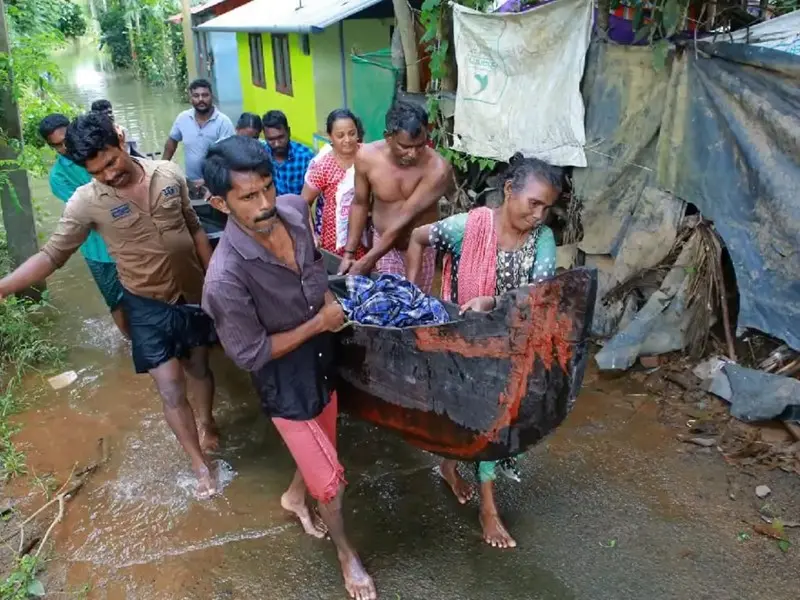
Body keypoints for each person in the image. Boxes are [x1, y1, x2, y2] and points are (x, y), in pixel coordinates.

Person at [0, 113, 220, 499]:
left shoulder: (168, 173)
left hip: (191, 294)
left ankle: (207, 422)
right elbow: (51, 256)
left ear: (120, 139)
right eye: (97, 171)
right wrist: (2, 288)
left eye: (111, 162)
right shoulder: (86, 203)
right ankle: (199, 463)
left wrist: (214, 280)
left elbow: (195, 227)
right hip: (146, 306)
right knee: (170, 389)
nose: (109, 175)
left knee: (199, 368)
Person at [201, 137, 376, 600]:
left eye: (267, 188)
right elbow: (250, 354)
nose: (265, 204)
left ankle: (294, 497)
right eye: (248, 196)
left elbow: (317, 272)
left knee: (326, 446)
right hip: (283, 384)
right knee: (332, 481)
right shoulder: (225, 278)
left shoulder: (295, 213)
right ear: (219, 202)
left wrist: (333, 301)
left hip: (322, 362)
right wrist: (320, 321)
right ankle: (346, 555)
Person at [405, 153, 561, 549]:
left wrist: (492, 302)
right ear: (509, 191)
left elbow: (538, 295)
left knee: (493, 419)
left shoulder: (542, 240)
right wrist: (414, 301)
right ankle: (488, 509)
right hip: (465, 342)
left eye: (547, 207)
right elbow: (418, 238)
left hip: (513, 345)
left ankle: (448, 465)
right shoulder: (469, 227)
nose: (540, 215)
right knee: (478, 418)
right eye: (534, 203)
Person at [338, 101, 452, 293]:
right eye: (405, 146)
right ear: (388, 137)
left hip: (420, 250)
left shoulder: (438, 169)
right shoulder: (366, 157)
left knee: (413, 305)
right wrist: (349, 253)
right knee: (388, 300)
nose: (413, 154)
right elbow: (360, 203)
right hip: (384, 245)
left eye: (420, 146)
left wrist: (368, 259)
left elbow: (406, 217)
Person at [39, 114, 128, 336]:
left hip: (130, 238)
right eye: (57, 145)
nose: (64, 147)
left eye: (65, 139)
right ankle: (132, 344)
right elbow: (91, 209)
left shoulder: (100, 150)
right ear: (51, 147)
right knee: (116, 301)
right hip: (98, 249)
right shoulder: (58, 176)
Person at [301, 109, 368, 257]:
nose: (347, 140)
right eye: (340, 135)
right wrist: (312, 235)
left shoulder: (368, 156)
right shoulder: (323, 166)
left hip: (365, 235)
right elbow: (304, 202)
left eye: (352, 133)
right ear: (330, 137)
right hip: (333, 239)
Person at [162, 78, 235, 186]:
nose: (201, 99)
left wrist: (209, 181)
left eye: (205, 95)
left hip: (217, 183)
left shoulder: (223, 122)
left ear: (212, 96)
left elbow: (229, 156)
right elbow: (171, 142)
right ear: (190, 98)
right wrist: (162, 167)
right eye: (196, 96)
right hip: (191, 182)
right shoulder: (183, 118)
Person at [261, 110, 314, 196]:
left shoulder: (305, 157)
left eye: (281, 137)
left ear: (288, 132)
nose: (277, 144)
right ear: (265, 137)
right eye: (271, 139)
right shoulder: (260, 157)